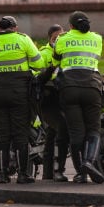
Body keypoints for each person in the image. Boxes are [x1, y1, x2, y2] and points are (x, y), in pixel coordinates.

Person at [0, 16, 45, 184]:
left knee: (2, 134)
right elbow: (39, 63)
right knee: (20, 133)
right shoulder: (23, 39)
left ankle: (3, 175)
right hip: (19, 92)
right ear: (14, 28)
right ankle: (23, 174)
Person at [52, 11, 104, 184]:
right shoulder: (97, 39)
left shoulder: (62, 39)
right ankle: (88, 162)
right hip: (92, 87)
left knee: (76, 133)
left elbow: (55, 62)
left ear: (71, 26)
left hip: (69, 88)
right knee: (93, 130)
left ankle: (80, 173)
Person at [37, 24, 70, 181]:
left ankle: (47, 174)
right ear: (49, 39)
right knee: (61, 128)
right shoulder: (44, 53)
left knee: (52, 134)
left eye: (60, 37)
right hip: (49, 99)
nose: (57, 40)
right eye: (54, 38)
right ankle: (57, 171)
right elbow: (40, 74)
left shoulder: (66, 50)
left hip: (63, 98)